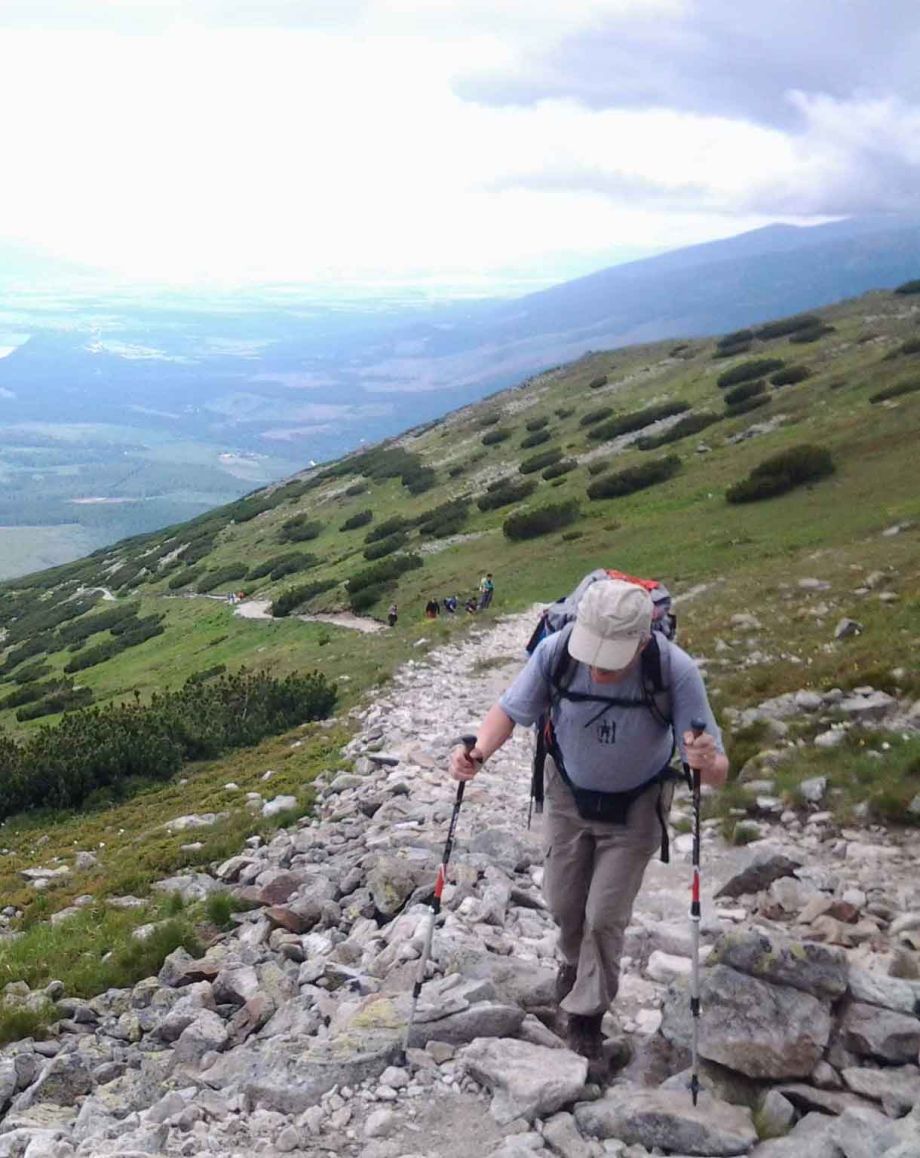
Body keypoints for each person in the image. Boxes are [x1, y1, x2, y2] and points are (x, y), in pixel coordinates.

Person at [449, 578, 727, 1070]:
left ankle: (586, 1018)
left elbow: (716, 774)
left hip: (637, 807)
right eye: (593, 650)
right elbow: (510, 711)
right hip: (567, 796)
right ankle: (572, 963)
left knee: (604, 914)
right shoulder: (557, 652)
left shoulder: (673, 670)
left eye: (611, 655)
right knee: (562, 901)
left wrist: (704, 759)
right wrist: (477, 754)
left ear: (643, 640)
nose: (597, 666)